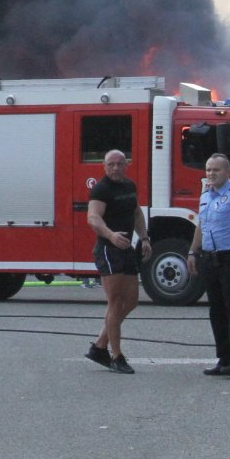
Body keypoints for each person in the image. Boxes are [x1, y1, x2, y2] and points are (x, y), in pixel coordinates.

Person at [187, 152, 230, 378]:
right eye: (208, 170)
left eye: (216, 170)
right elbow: (201, 225)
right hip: (209, 258)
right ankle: (223, 359)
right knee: (216, 310)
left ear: (227, 172)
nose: (211, 174)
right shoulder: (206, 195)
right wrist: (192, 252)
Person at [85, 149, 150, 374]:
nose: (115, 168)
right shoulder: (101, 189)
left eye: (119, 164)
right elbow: (93, 218)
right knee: (116, 302)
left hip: (127, 248)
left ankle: (100, 345)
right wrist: (111, 235)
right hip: (108, 250)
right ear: (104, 166)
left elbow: (137, 214)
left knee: (131, 301)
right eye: (110, 164)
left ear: (126, 165)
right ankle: (116, 355)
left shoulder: (129, 186)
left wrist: (144, 238)